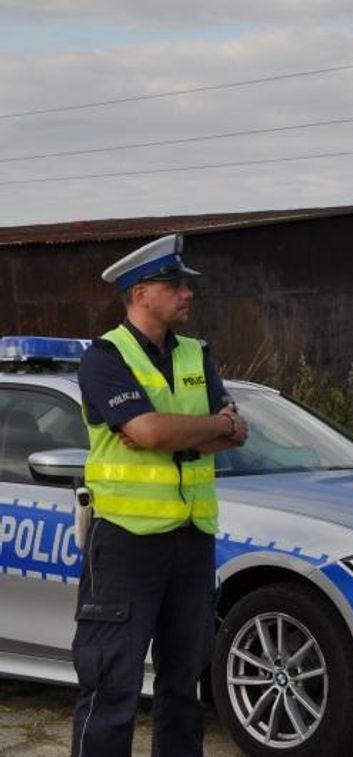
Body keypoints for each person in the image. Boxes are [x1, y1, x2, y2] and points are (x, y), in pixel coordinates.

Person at [72, 233, 248, 757]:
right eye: (173, 284)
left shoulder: (198, 354)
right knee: (111, 686)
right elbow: (148, 435)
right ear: (139, 292)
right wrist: (206, 427)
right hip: (126, 543)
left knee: (184, 686)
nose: (187, 293)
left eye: (186, 284)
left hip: (191, 541)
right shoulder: (106, 357)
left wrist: (183, 428)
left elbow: (237, 432)